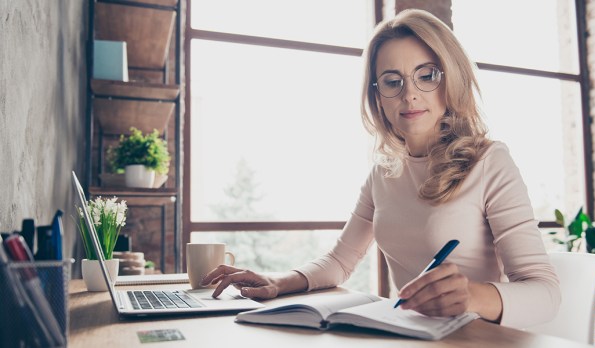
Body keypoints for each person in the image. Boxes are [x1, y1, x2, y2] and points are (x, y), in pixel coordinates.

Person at [201, 8, 560, 328]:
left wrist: (471, 296)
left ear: (450, 79)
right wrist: (279, 282)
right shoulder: (384, 171)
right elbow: (340, 261)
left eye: (427, 75)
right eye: (392, 81)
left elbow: (545, 294)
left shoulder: (490, 161)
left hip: (476, 338)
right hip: (407, 335)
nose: (409, 94)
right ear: (377, 95)